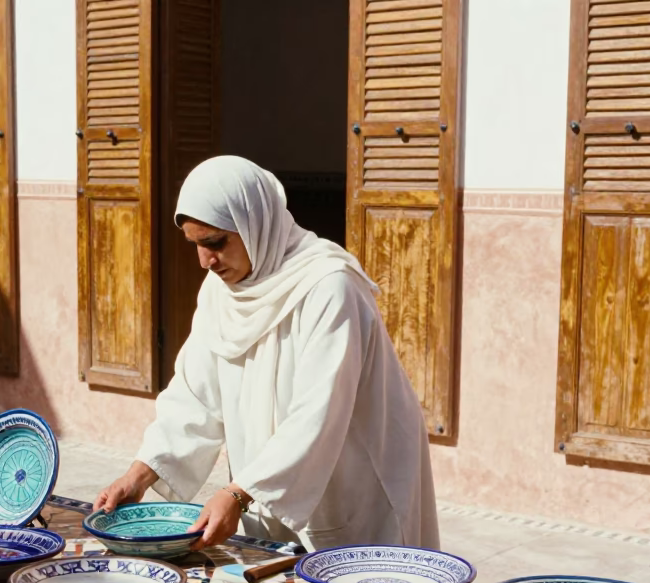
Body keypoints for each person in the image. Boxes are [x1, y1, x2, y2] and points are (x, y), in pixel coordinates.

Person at [93, 156, 439, 553]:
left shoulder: (329, 288)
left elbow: (318, 412)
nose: (205, 261)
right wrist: (139, 474)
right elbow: (195, 395)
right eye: (196, 246)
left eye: (216, 243)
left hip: (357, 486)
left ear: (253, 223)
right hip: (269, 487)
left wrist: (239, 493)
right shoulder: (220, 291)